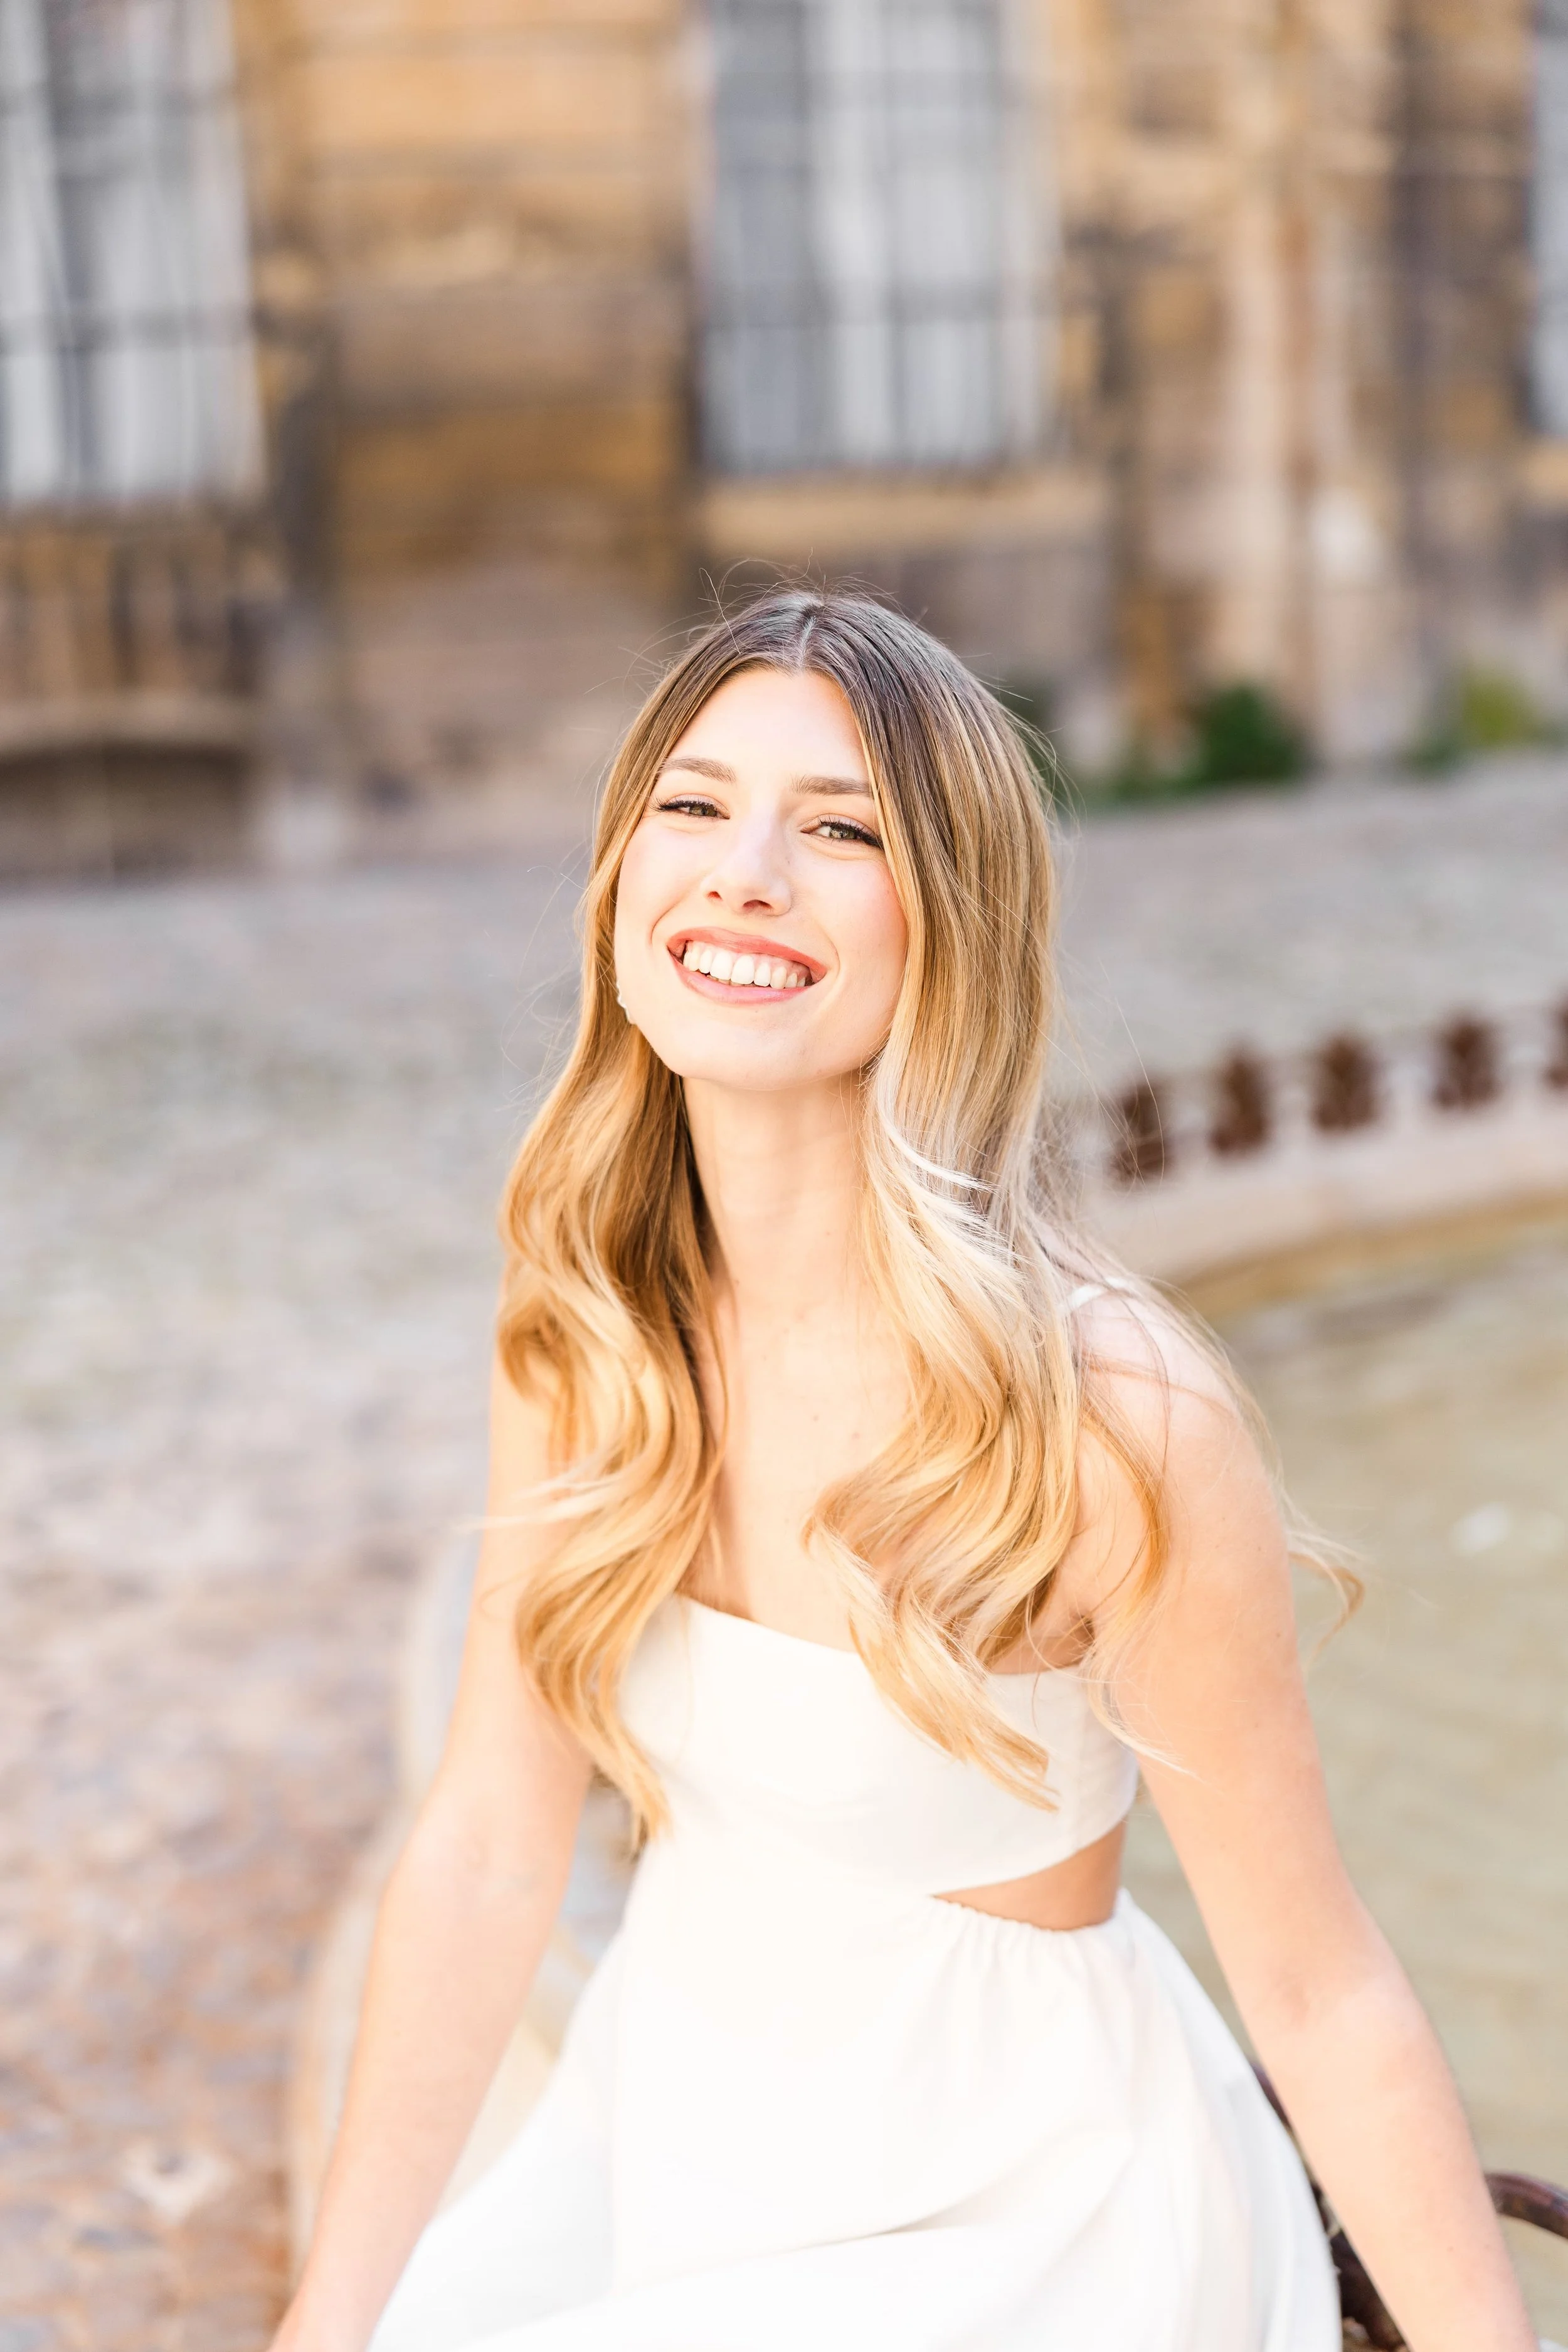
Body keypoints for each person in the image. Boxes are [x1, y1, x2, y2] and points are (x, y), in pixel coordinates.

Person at [273, 591, 1537, 2352]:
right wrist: (321, 2324)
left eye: (841, 828)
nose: (743, 872)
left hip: (1019, 2221)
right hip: (681, 2143)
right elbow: (490, 1842)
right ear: (620, 878)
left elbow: (1317, 1987)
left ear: (953, 921)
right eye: (693, 805)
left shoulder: (1102, 1413)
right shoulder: (590, 1322)